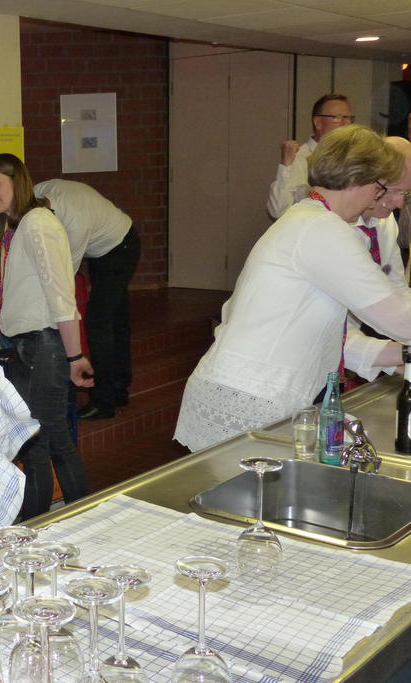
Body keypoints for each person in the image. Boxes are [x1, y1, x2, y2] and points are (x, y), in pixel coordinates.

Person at [175, 125, 410, 452]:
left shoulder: (310, 218)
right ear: (359, 180)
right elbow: (400, 320)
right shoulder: (322, 230)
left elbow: (327, 334)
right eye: (380, 188)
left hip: (246, 389)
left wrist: (399, 355)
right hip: (252, 395)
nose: (380, 199)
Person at [0, 153, 92, 520]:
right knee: (37, 442)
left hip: (46, 346)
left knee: (51, 440)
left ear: (18, 182)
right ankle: (39, 523)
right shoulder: (19, 227)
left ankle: (73, 519)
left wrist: (74, 357)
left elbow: (62, 296)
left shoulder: (39, 223)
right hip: (27, 345)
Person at [34, 179, 140, 419]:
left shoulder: (74, 224)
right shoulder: (39, 192)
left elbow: (63, 281)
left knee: (98, 322)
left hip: (120, 248)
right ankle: (118, 388)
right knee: (116, 320)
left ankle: (104, 402)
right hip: (106, 246)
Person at [345, 137, 411, 379]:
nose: (399, 203)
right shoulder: (335, 229)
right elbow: (328, 331)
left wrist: (400, 361)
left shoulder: (384, 221)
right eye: (393, 190)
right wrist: (400, 356)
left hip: (344, 349)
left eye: (406, 192)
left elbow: (397, 291)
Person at [268, 93, 354, 219]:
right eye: (337, 118)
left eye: (348, 118)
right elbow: (277, 211)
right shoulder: (299, 159)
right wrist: (285, 166)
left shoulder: (352, 159)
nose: (346, 124)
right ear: (318, 123)